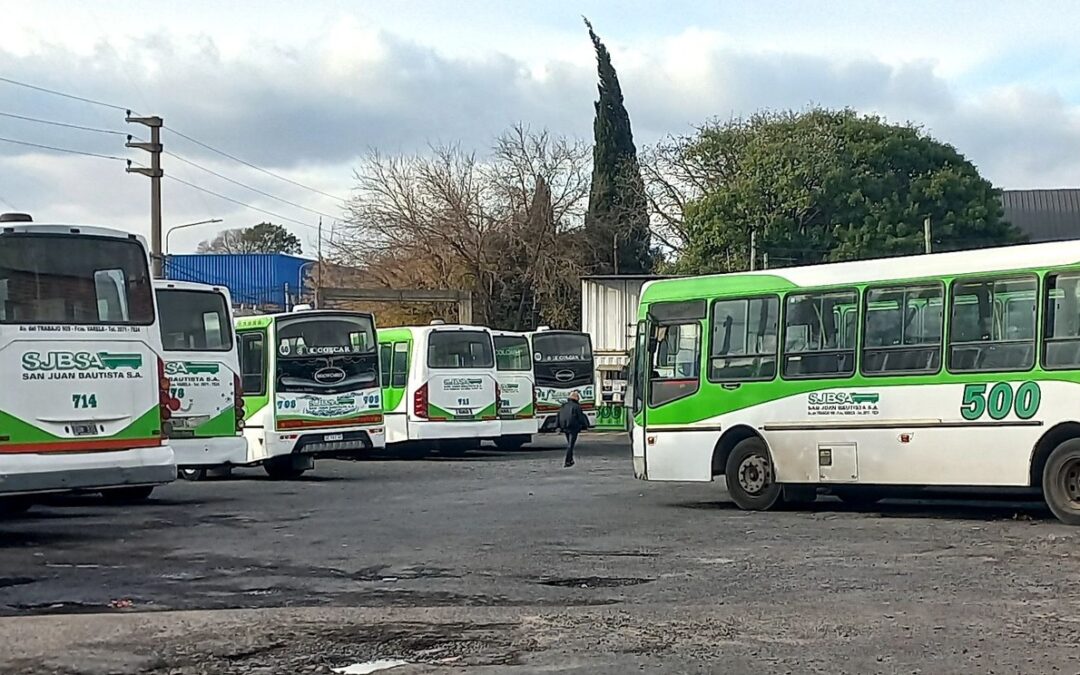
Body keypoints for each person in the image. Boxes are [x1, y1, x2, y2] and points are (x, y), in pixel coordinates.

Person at [556, 391, 590, 468]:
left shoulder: (563, 405)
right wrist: (585, 426)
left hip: (564, 426)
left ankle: (570, 460)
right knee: (570, 445)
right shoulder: (577, 406)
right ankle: (567, 461)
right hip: (573, 427)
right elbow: (580, 417)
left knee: (570, 444)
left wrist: (558, 426)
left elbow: (558, 415)